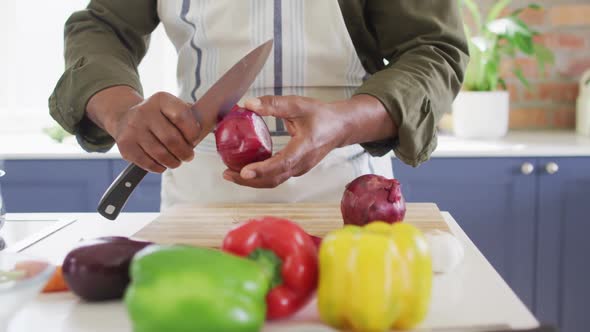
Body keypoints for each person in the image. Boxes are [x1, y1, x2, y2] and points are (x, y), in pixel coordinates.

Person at [49, 0, 469, 210]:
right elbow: (102, 27)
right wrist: (121, 110)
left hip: (347, 193)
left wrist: (343, 122)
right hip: (201, 194)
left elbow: (433, 49)